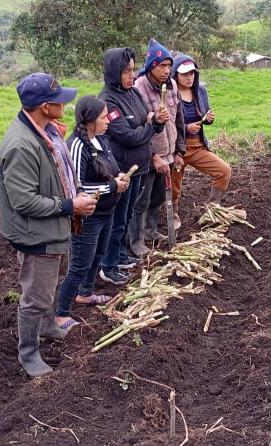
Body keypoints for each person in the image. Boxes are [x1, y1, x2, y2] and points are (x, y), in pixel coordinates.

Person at [0, 73, 97, 377]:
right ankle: (28, 352)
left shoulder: (48, 131)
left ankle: (49, 326)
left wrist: (77, 194)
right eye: (59, 100)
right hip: (35, 234)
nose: (65, 104)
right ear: (44, 107)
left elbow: (63, 172)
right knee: (36, 296)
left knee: (53, 280)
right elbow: (23, 202)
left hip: (54, 226)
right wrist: (69, 205)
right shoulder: (21, 145)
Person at [54, 96, 129, 329]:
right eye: (103, 117)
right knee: (79, 265)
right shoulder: (77, 145)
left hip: (106, 211)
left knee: (98, 255)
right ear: (89, 120)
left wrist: (118, 177)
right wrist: (112, 187)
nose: (108, 121)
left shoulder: (101, 139)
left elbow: (108, 170)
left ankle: (85, 294)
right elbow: (76, 187)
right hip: (88, 216)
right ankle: (60, 313)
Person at [99, 47, 169, 281]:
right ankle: (108, 266)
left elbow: (146, 119)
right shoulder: (107, 100)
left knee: (127, 215)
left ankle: (120, 255)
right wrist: (151, 126)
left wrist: (156, 120)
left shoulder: (132, 93)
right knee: (117, 219)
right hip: (121, 170)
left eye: (132, 70)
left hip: (138, 166)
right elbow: (127, 136)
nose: (132, 75)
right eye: (126, 71)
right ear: (114, 72)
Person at [131, 38, 186, 255]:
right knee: (141, 200)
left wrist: (179, 150)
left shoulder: (171, 85)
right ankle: (135, 241)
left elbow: (179, 118)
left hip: (169, 153)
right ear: (151, 66)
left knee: (157, 197)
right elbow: (138, 126)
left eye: (169, 65)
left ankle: (151, 231)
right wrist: (154, 156)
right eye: (162, 66)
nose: (166, 70)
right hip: (149, 155)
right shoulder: (139, 88)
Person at [170, 54, 232, 222]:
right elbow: (167, 123)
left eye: (192, 73)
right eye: (184, 74)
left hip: (197, 147)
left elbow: (206, 113)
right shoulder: (170, 94)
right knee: (174, 186)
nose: (189, 77)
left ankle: (213, 209)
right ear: (176, 75)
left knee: (224, 171)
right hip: (178, 149)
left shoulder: (200, 91)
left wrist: (209, 118)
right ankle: (173, 214)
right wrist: (186, 128)